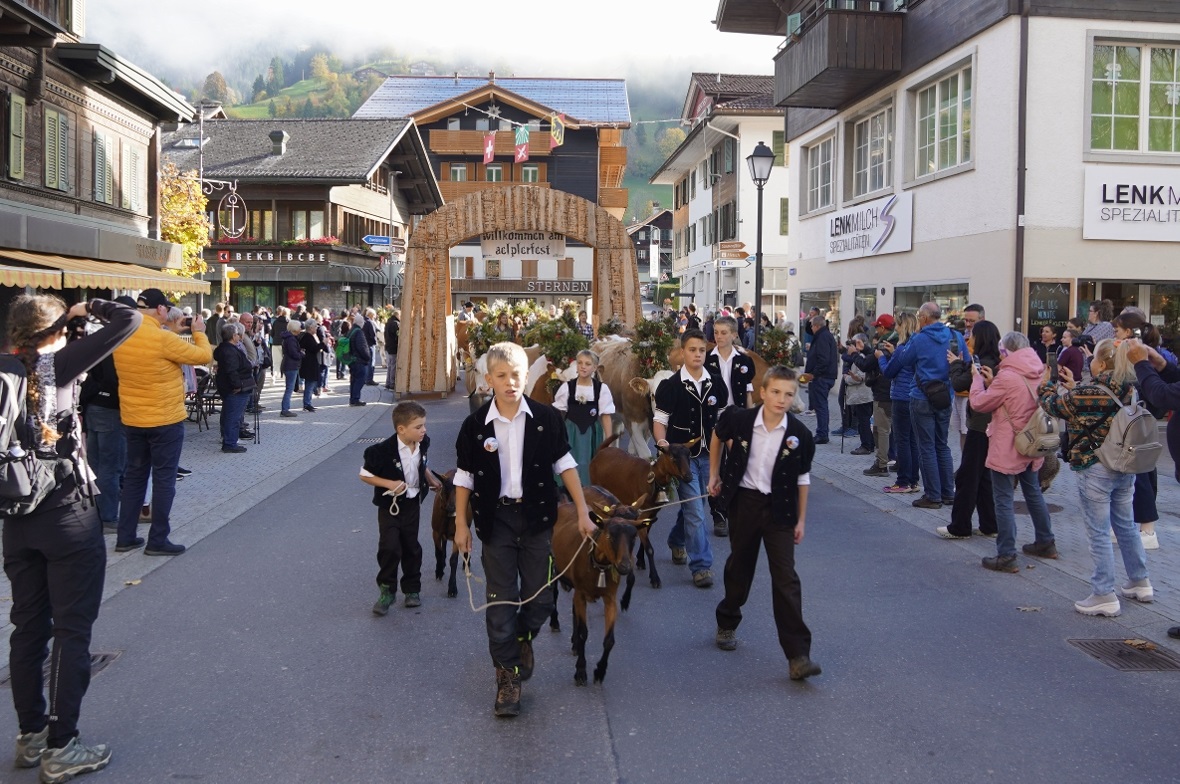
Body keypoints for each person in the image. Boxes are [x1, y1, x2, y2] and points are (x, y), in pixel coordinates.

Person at [3, 295, 139, 781]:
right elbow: (131, 318)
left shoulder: (7, 368)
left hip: (16, 518)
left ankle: (31, 736)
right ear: (56, 328)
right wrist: (87, 308)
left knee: (28, 628)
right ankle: (63, 746)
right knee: (71, 630)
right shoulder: (58, 362)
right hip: (66, 514)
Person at [451, 341, 594, 717]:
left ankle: (521, 637)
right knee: (501, 602)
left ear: (526, 377)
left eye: (517, 375)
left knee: (540, 600)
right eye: (502, 376)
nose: (510, 382)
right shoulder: (475, 426)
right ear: (488, 380)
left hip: (536, 519)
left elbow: (566, 466)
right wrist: (460, 524)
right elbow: (464, 478)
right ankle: (508, 677)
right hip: (495, 521)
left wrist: (582, 512)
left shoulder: (547, 419)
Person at [708, 365, 821, 681]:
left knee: (786, 578)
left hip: (780, 510)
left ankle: (798, 655)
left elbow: (802, 477)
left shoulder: (800, 435)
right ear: (762, 392)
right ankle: (727, 620)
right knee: (740, 568)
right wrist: (714, 474)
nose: (781, 399)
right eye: (775, 392)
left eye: (789, 394)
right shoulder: (741, 420)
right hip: (745, 502)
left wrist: (801, 519)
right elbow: (718, 436)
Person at [1039, 339, 1151, 616]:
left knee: (1098, 532)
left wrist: (1046, 383)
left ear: (1100, 363)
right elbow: (1099, 405)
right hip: (1124, 465)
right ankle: (1140, 581)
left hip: (1094, 465)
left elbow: (1052, 405)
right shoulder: (1129, 389)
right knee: (1124, 525)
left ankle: (1103, 593)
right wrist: (1074, 388)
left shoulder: (1087, 392)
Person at [113, 289, 212, 557]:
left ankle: (126, 536)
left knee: (134, 478)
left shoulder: (123, 335)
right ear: (159, 309)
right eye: (166, 309)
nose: (168, 312)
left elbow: (156, 345)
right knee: (164, 479)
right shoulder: (162, 338)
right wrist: (199, 331)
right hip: (165, 420)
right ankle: (158, 539)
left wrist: (170, 328)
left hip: (134, 419)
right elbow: (203, 356)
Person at [968, 331, 1056, 572]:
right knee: (1033, 492)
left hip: (1008, 445)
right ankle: (1046, 541)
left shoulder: (1007, 375)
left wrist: (977, 381)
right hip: (1032, 441)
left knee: (1004, 499)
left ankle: (1006, 554)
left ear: (1006, 351)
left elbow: (979, 403)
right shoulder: (1038, 370)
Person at [655, 329, 728, 588]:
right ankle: (701, 567)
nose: (697, 354)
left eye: (701, 351)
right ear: (683, 352)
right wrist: (662, 442)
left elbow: (723, 421)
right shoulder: (670, 386)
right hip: (682, 460)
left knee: (697, 506)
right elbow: (660, 421)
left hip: (712, 456)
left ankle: (676, 541)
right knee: (696, 511)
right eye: (692, 350)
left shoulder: (717, 383)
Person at [361, 402, 443, 615]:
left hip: (412, 504)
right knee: (389, 547)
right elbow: (365, 475)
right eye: (418, 427)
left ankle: (412, 590)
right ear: (401, 429)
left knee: (411, 547)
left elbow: (421, 465)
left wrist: (430, 478)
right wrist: (389, 484)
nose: (423, 430)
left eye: (424, 425)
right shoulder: (381, 451)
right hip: (390, 506)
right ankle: (387, 591)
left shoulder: (423, 443)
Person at [883, 302, 967, 509]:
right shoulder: (955, 337)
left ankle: (933, 496)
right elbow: (966, 361)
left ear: (924, 318)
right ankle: (948, 492)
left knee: (926, 447)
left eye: (920, 316)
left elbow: (904, 359)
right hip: (945, 396)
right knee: (942, 445)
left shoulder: (920, 339)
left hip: (922, 396)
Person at [939, 320, 1001, 539]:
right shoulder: (998, 361)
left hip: (979, 426)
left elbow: (958, 384)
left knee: (967, 476)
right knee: (983, 475)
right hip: (990, 425)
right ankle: (990, 524)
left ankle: (960, 526)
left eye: (972, 335)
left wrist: (956, 364)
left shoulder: (982, 364)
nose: (969, 339)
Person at [1113, 308, 1168, 550]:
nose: (1114, 334)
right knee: (1138, 473)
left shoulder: (1138, 356)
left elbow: (1153, 389)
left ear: (1127, 331)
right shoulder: (1140, 354)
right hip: (1138, 420)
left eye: (1117, 330)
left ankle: (1147, 530)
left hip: (1138, 420)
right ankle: (1136, 527)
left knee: (1142, 474)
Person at [79, 340, 125, 532]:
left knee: (96, 464)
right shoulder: (115, 345)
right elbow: (112, 379)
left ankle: (95, 515)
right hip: (109, 408)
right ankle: (107, 517)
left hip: (93, 405)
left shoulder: (100, 343)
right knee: (109, 467)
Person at [553, 349, 615, 488]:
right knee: (569, 461)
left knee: (588, 462)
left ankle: (588, 493)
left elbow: (605, 415)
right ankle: (567, 492)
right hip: (570, 432)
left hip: (591, 433)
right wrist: (556, 435)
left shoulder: (601, 389)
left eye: (587, 364)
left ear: (594, 367)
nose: (583, 366)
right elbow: (558, 413)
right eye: (580, 363)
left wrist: (609, 441)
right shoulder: (567, 387)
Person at [879, 313, 920, 494]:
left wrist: (881, 356)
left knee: (902, 440)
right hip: (912, 396)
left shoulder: (903, 348)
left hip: (901, 397)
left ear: (903, 327)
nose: (894, 328)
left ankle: (903, 481)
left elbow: (889, 371)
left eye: (897, 325)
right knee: (912, 441)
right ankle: (913, 480)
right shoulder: (914, 346)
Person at [861, 315, 897, 477]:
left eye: (878, 327)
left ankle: (882, 463)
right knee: (894, 429)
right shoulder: (899, 343)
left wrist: (855, 354)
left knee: (881, 429)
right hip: (894, 393)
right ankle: (898, 460)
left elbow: (869, 363)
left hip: (884, 393)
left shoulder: (885, 345)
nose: (876, 330)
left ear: (883, 328)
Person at [212, 323, 254, 453]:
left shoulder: (226, 348)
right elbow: (232, 370)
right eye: (237, 334)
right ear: (233, 336)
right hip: (235, 388)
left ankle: (229, 440)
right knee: (233, 416)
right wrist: (237, 385)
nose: (239, 336)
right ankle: (230, 443)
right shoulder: (229, 350)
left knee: (230, 414)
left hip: (231, 386)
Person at [803, 314, 838, 443]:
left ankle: (822, 434)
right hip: (824, 376)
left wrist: (814, 374)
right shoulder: (823, 335)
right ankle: (822, 432)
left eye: (812, 325)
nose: (811, 328)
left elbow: (823, 359)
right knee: (820, 405)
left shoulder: (822, 337)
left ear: (817, 326)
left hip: (822, 377)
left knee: (821, 405)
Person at [279, 320, 304, 417]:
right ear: (295, 329)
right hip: (291, 365)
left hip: (288, 364)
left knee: (289, 387)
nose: (300, 329)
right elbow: (294, 354)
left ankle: (285, 408)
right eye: (299, 328)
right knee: (289, 388)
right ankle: (285, 409)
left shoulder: (289, 338)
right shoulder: (291, 339)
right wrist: (301, 354)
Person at [346, 313, 372, 407]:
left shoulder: (351, 330)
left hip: (352, 360)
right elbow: (362, 347)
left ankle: (353, 399)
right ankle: (355, 399)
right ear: (360, 322)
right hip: (359, 360)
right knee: (360, 380)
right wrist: (367, 357)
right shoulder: (359, 332)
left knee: (354, 380)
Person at [297, 320, 322, 412]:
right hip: (309, 365)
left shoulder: (307, 336)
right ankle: (307, 404)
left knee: (310, 384)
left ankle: (308, 402)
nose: (316, 328)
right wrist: (323, 344)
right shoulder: (308, 337)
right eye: (315, 327)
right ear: (310, 328)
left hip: (308, 364)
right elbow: (313, 349)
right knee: (310, 384)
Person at [384, 308, 400, 391]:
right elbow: (398, 336)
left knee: (390, 366)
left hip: (388, 346)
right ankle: (392, 384)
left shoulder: (388, 322)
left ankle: (388, 383)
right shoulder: (396, 324)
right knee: (393, 366)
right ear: (397, 315)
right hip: (394, 347)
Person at [363, 308, 380, 385]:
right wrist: (375, 342)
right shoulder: (370, 322)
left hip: (364, 344)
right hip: (370, 344)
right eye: (374, 315)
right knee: (371, 363)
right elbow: (372, 334)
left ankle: (365, 378)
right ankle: (369, 379)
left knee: (366, 362)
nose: (375, 317)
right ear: (371, 315)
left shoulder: (363, 321)